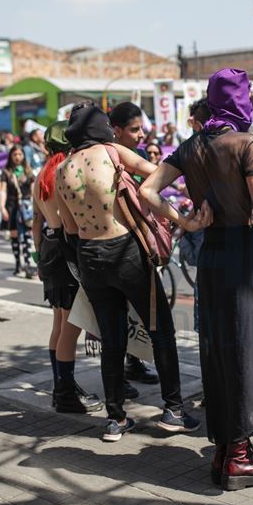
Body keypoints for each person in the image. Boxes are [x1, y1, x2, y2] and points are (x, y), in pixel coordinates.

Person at [140, 68, 253, 490]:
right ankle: (238, 455)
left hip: (212, 255)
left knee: (220, 349)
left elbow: (148, 190)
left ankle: (226, 448)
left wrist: (184, 220)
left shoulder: (191, 146)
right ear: (241, 101)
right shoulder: (246, 143)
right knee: (246, 346)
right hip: (244, 251)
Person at [57, 102, 202, 443]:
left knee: (111, 337)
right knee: (160, 329)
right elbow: (157, 171)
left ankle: (116, 418)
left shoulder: (62, 169)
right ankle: (174, 410)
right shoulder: (110, 152)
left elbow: (69, 228)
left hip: (89, 255)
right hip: (125, 251)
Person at [32, 121, 103, 415]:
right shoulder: (66, 172)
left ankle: (62, 384)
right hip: (65, 248)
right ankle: (65, 392)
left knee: (59, 325)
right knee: (70, 328)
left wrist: (38, 258)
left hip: (48, 247)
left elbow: (36, 220)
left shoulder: (40, 176)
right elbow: (72, 221)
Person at [108, 101, 162, 386]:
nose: (141, 134)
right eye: (134, 129)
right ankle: (120, 376)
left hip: (141, 237)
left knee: (140, 312)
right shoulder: (109, 158)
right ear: (116, 131)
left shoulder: (140, 156)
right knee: (117, 315)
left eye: (142, 128)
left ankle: (134, 362)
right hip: (117, 244)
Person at [0, 145, 35, 278]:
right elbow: (3, 191)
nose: (17, 157)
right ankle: (17, 263)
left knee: (27, 236)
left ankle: (27, 264)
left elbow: (33, 191)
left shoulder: (28, 171)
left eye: (20, 154)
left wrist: (35, 206)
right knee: (14, 236)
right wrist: (2, 207)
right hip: (12, 206)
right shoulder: (6, 172)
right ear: (10, 156)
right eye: (15, 155)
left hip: (26, 207)